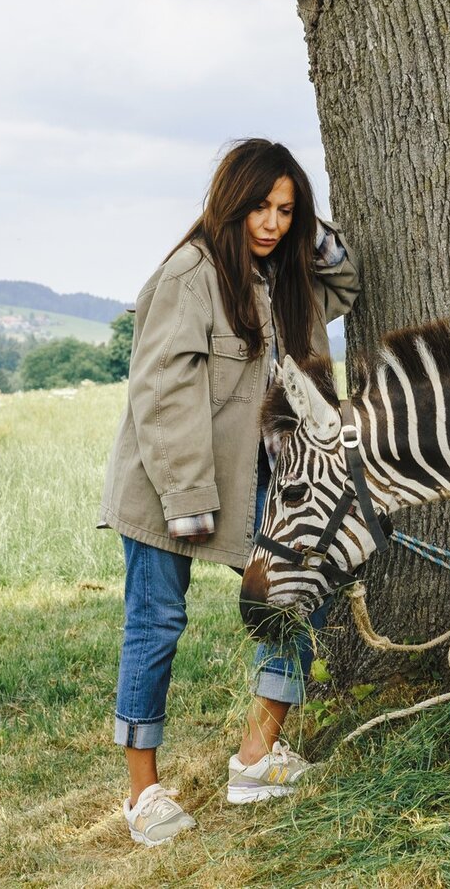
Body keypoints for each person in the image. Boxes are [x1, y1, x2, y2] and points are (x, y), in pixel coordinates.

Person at [98, 138, 360, 847]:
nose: (272, 223)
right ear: (230, 201)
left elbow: (346, 281)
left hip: (260, 480)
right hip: (165, 484)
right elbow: (161, 396)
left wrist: (313, 235)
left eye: (285, 210)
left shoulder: (284, 277)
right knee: (155, 624)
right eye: (260, 208)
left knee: (294, 597)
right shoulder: (190, 275)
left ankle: (256, 755)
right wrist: (187, 496)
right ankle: (142, 793)